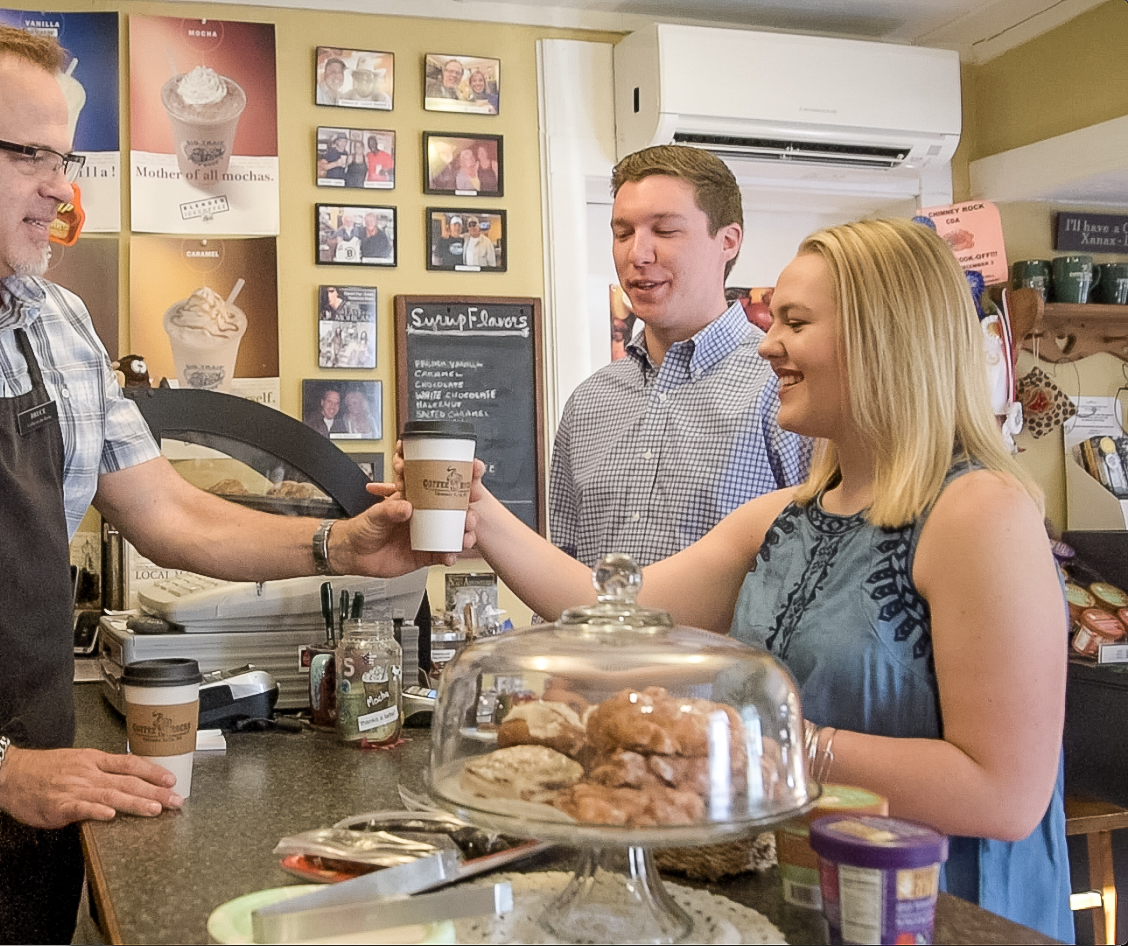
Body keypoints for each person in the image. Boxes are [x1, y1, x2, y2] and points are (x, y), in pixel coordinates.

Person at [0, 25, 464, 945]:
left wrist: (336, 545)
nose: (60, 185)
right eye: (30, 154)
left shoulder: (57, 322)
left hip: (34, 796)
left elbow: (166, 512)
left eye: (63, 156)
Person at [458, 217, 1072, 942]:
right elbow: (613, 612)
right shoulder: (786, 515)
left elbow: (1004, 795)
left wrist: (771, 744)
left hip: (943, 914)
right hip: (814, 897)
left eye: (795, 322)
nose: (766, 343)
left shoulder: (979, 512)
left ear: (886, 338)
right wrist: (478, 515)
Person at [548, 145, 811, 566]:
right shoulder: (587, 403)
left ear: (728, 241)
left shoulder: (783, 389)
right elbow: (561, 568)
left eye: (665, 231)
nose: (638, 254)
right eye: (623, 233)